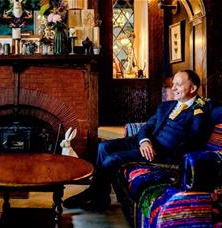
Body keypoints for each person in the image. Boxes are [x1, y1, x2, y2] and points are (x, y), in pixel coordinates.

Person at [63, 69, 213, 211]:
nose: (173, 88)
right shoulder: (167, 105)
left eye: (178, 84)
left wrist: (203, 104)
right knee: (103, 147)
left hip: (163, 152)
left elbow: (201, 130)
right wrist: (144, 141)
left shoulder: (201, 109)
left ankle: (92, 194)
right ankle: (101, 197)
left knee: (113, 159)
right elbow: (147, 127)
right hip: (146, 142)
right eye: (173, 84)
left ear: (193, 88)